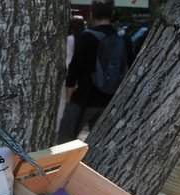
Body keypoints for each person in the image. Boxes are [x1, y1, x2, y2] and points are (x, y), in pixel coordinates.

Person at [58, 0, 133, 142]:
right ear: (112, 14)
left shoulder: (86, 36)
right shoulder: (124, 37)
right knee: (103, 142)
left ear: (91, 14)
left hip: (85, 98)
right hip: (111, 100)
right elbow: (129, 66)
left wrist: (68, 97)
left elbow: (75, 68)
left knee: (65, 141)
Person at [57, 15, 86, 132]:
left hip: (68, 71)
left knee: (63, 100)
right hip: (80, 74)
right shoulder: (84, 38)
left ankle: (59, 126)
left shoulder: (69, 39)